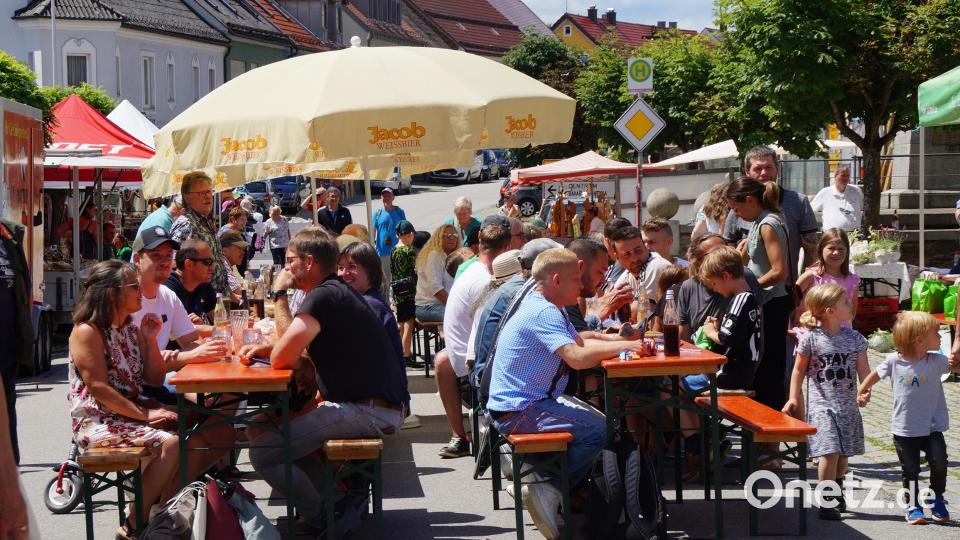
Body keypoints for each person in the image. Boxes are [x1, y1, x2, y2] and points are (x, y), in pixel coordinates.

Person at [238, 226, 405, 533]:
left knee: (263, 453)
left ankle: (323, 517)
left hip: (368, 410)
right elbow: (302, 353)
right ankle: (335, 501)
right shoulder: (335, 292)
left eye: (290, 261)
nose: (287, 268)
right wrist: (277, 349)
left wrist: (278, 294)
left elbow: (281, 359)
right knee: (266, 427)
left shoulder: (323, 297)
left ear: (309, 262)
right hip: (369, 405)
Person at [487, 248, 650, 538]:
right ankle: (547, 486)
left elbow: (580, 339)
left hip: (524, 403)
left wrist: (613, 337)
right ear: (558, 280)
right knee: (601, 431)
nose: (581, 285)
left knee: (601, 423)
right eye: (576, 279)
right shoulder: (544, 310)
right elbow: (576, 356)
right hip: (521, 410)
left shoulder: (547, 304)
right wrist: (626, 347)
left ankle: (549, 482)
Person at [67, 261, 214, 534]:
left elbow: (154, 379)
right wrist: (147, 415)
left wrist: (149, 340)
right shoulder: (88, 331)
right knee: (171, 444)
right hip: (99, 421)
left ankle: (161, 510)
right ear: (112, 293)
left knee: (200, 439)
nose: (141, 292)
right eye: (134, 287)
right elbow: (98, 388)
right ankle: (137, 523)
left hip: (129, 414)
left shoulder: (130, 327)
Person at [859, 312, 960, 524]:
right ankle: (913, 504)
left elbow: (955, 367)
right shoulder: (893, 361)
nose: (940, 336)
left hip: (933, 427)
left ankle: (936, 497)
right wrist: (863, 389)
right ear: (919, 340)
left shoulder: (937, 360)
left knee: (940, 462)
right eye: (936, 332)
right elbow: (876, 374)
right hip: (905, 428)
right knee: (910, 469)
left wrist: (956, 361)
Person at [782, 284, 869, 521]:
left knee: (842, 455)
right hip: (821, 406)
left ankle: (837, 488)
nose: (851, 305)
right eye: (845, 303)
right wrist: (792, 397)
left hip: (847, 407)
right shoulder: (811, 339)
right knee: (829, 452)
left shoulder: (855, 339)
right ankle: (826, 500)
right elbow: (798, 371)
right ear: (830, 311)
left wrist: (864, 391)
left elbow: (864, 372)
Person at [436, 216, 512, 458]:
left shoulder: (472, 271)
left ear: (479, 243)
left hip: (459, 363)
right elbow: (488, 336)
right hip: (472, 374)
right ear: (506, 250)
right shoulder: (484, 281)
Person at [726, 176, 790, 412]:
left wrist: (750, 288)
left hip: (772, 303)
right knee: (760, 366)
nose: (737, 214)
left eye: (737, 208)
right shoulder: (757, 222)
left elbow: (779, 271)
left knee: (769, 367)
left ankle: (771, 430)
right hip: (765, 301)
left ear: (750, 200)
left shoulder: (767, 224)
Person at [722, 146, 818, 273]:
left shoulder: (798, 202)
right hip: (748, 286)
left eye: (769, 167)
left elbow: (810, 249)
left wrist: (806, 285)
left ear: (777, 169)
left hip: (786, 287)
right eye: (758, 168)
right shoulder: (739, 206)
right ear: (747, 172)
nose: (764, 173)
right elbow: (728, 249)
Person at [337, 241, 411, 403]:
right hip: (376, 401)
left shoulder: (370, 306)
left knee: (288, 426)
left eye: (352, 267)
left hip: (379, 407)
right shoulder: (366, 301)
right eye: (341, 268)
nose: (343, 273)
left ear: (370, 270)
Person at [678, 233, 764, 343]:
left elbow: (755, 324)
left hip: (735, 357)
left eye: (725, 250)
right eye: (714, 253)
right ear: (698, 263)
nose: (722, 256)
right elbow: (684, 338)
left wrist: (711, 332)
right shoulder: (688, 288)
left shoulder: (742, 278)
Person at [0, 218, 31, 465]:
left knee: (7, 404)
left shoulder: (9, 233)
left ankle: (11, 465)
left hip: (8, 342)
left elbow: (23, 289)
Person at [170, 172, 229, 297]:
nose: (208, 197)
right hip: (199, 303)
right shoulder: (187, 224)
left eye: (209, 192)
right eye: (201, 193)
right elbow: (175, 267)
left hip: (217, 301)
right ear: (187, 198)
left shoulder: (206, 222)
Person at [794, 228, 860, 335]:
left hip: (841, 336)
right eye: (831, 248)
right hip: (812, 335)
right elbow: (790, 302)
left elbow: (852, 314)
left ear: (847, 251)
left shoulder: (852, 281)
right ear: (821, 249)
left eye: (841, 249)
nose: (836, 252)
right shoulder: (811, 276)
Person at [611, 225, 673, 320]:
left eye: (638, 251)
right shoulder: (626, 275)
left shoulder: (657, 266)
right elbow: (612, 310)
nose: (634, 258)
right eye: (627, 254)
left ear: (645, 246)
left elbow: (641, 312)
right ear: (617, 257)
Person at [164, 239, 218, 324]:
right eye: (208, 262)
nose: (212, 267)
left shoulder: (204, 285)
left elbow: (218, 320)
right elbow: (178, 331)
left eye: (213, 262)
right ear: (189, 264)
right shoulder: (169, 288)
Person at [414, 224, 459, 323]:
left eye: (455, 235)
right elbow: (436, 289)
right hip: (428, 306)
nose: (452, 238)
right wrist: (455, 305)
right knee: (458, 318)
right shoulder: (434, 256)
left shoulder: (453, 256)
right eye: (447, 235)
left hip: (442, 303)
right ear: (438, 238)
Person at [391, 220, 418, 366]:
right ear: (410, 234)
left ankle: (401, 352)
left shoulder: (394, 250)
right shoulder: (408, 251)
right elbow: (415, 268)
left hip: (397, 290)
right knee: (409, 323)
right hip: (408, 291)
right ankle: (406, 355)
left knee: (401, 323)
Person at [373, 187, 407, 296]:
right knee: (384, 281)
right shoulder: (377, 214)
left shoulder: (399, 212)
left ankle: (397, 303)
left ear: (393, 197)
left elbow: (405, 229)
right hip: (382, 252)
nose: (386, 198)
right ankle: (386, 303)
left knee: (398, 279)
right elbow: (373, 231)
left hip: (398, 251)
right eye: (384, 195)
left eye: (388, 195)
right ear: (381, 198)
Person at [812, 166, 863, 232]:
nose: (845, 178)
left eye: (847, 175)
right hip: (832, 235)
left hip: (854, 234)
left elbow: (862, 207)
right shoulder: (825, 192)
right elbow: (811, 210)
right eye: (842, 175)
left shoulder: (856, 191)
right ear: (835, 176)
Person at [219, 230, 249, 304]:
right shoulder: (223, 264)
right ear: (224, 251)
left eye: (243, 249)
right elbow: (239, 292)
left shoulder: (229, 264)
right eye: (239, 248)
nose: (243, 253)